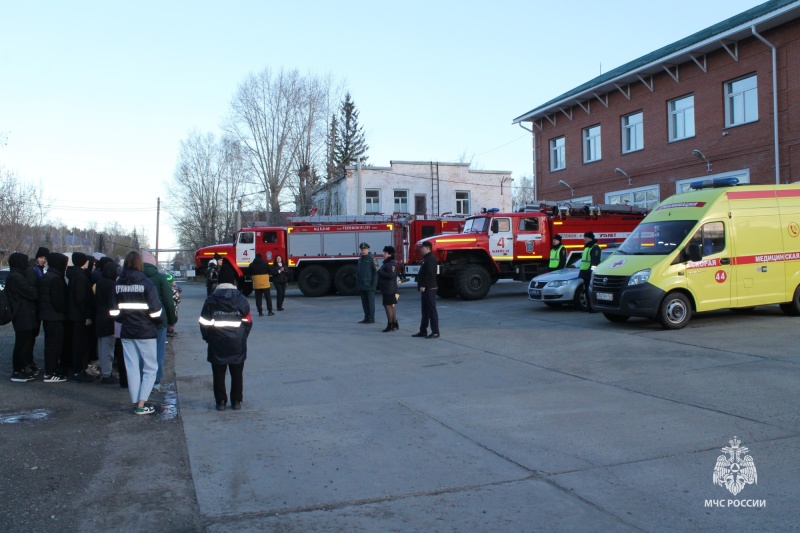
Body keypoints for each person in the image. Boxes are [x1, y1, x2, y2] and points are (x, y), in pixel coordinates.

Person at [110, 251, 163, 415]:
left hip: (127, 331)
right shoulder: (146, 284)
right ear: (140, 264)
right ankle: (141, 404)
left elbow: (113, 312)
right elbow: (156, 311)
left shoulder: (117, 284)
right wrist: (155, 322)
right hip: (146, 332)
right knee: (150, 368)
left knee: (131, 367)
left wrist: (123, 319)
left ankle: (135, 401)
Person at [199, 259, 252, 411]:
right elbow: (247, 322)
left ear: (219, 281)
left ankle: (220, 402)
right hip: (237, 342)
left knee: (218, 374)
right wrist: (242, 336)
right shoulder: (241, 300)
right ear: (233, 281)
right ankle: (236, 401)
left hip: (217, 342)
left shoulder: (211, 300)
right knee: (237, 373)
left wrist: (208, 337)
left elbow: (204, 322)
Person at [141, 251, 177, 389]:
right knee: (158, 352)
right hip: (159, 321)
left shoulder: (134, 278)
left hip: (138, 322)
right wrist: (171, 321)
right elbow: (169, 302)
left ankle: (140, 379)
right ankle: (155, 381)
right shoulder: (161, 279)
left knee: (140, 353)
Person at [6, 253, 40, 382]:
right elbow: (31, 293)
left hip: (23, 313)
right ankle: (18, 370)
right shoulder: (17, 277)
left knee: (25, 342)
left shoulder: (15, 275)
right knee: (22, 343)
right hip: (22, 314)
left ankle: (23, 367)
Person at [38, 252, 69, 382]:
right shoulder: (56, 279)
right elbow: (58, 302)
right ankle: (51, 372)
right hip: (55, 317)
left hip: (47, 316)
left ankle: (49, 370)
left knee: (50, 344)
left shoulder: (47, 276)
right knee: (54, 345)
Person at [66, 252, 95, 382]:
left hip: (73, 315)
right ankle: (78, 371)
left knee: (76, 343)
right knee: (80, 344)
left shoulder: (73, 275)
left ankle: (76, 369)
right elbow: (82, 299)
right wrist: (87, 316)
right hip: (80, 317)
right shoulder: (81, 278)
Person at [94, 260, 120, 384]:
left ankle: (105, 371)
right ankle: (107, 373)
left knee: (102, 346)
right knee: (108, 347)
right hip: (108, 320)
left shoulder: (99, 282)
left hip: (99, 317)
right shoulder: (111, 285)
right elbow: (113, 303)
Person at [412, 241, 440, 339]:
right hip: (425, 289)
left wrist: (424, 285)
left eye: (422, 247)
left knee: (431, 310)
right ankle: (423, 331)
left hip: (429, 288)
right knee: (425, 311)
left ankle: (435, 332)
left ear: (427, 248)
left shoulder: (431, 259)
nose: (421, 249)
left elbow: (430, 274)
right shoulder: (426, 259)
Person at [377, 245, 399, 332]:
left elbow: (391, 276)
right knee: (391, 306)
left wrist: (380, 271)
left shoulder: (390, 264)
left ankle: (390, 324)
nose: (384, 254)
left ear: (390, 254)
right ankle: (394, 323)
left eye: (385, 253)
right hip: (389, 288)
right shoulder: (389, 263)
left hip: (389, 288)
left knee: (388, 306)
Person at [579, 231, 602, 313]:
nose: (584, 239)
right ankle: (588, 306)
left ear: (590, 238)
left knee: (591, 290)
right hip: (585, 272)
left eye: (585, 238)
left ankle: (593, 307)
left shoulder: (595, 247)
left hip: (590, 273)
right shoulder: (587, 247)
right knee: (586, 290)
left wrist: (591, 272)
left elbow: (595, 262)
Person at [356, 242, 378, 324]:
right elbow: (358, 273)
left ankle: (371, 318)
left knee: (370, 303)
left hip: (369, 285)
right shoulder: (360, 260)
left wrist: (374, 284)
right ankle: (366, 317)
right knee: (364, 303)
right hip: (362, 285)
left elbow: (375, 273)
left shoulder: (373, 259)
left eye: (365, 250)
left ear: (368, 250)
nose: (363, 251)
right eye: (362, 250)